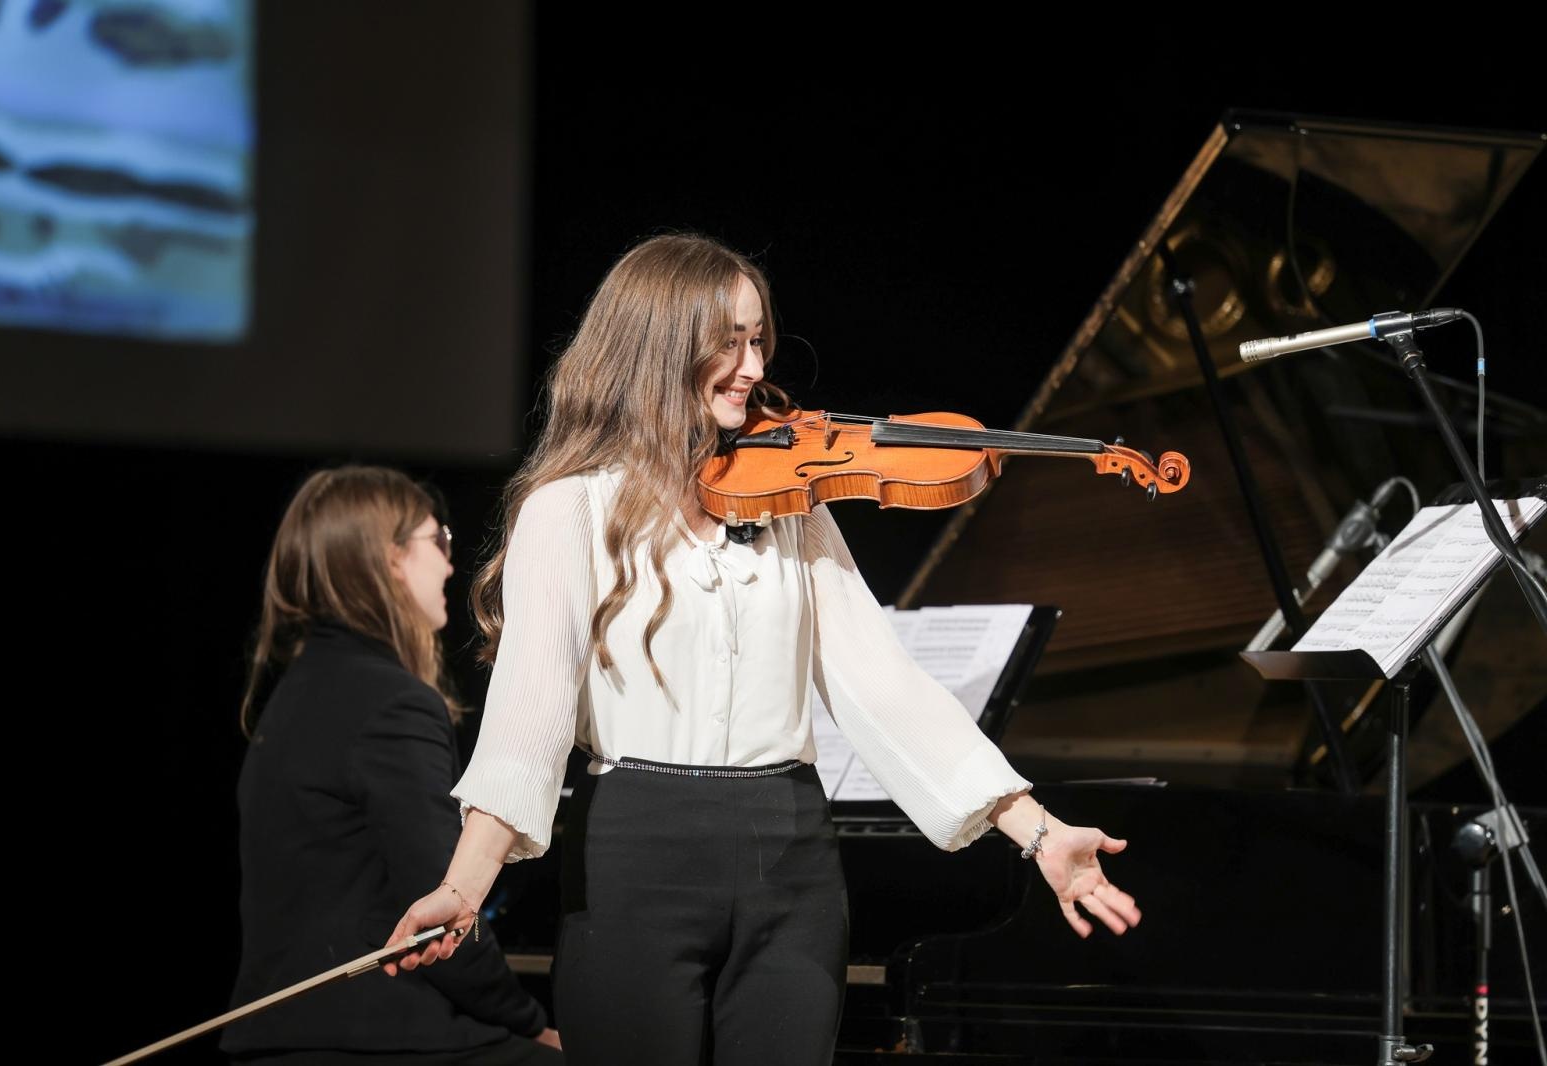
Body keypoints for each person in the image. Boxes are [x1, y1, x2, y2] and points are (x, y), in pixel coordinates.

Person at [385, 235, 1141, 1065]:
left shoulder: (790, 503)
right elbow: (528, 720)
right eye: (728, 343)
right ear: (658, 349)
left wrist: (1037, 833)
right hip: (636, 857)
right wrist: (463, 887)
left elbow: (880, 682)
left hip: (791, 858)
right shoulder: (570, 511)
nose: (752, 367)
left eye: (757, 341)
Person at [223, 466, 562, 1065]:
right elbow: (442, 911)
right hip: (379, 1038)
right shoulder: (392, 704)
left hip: (284, 1038)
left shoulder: (297, 690)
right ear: (389, 559)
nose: (450, 564)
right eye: (440, 541)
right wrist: (532, 1024)